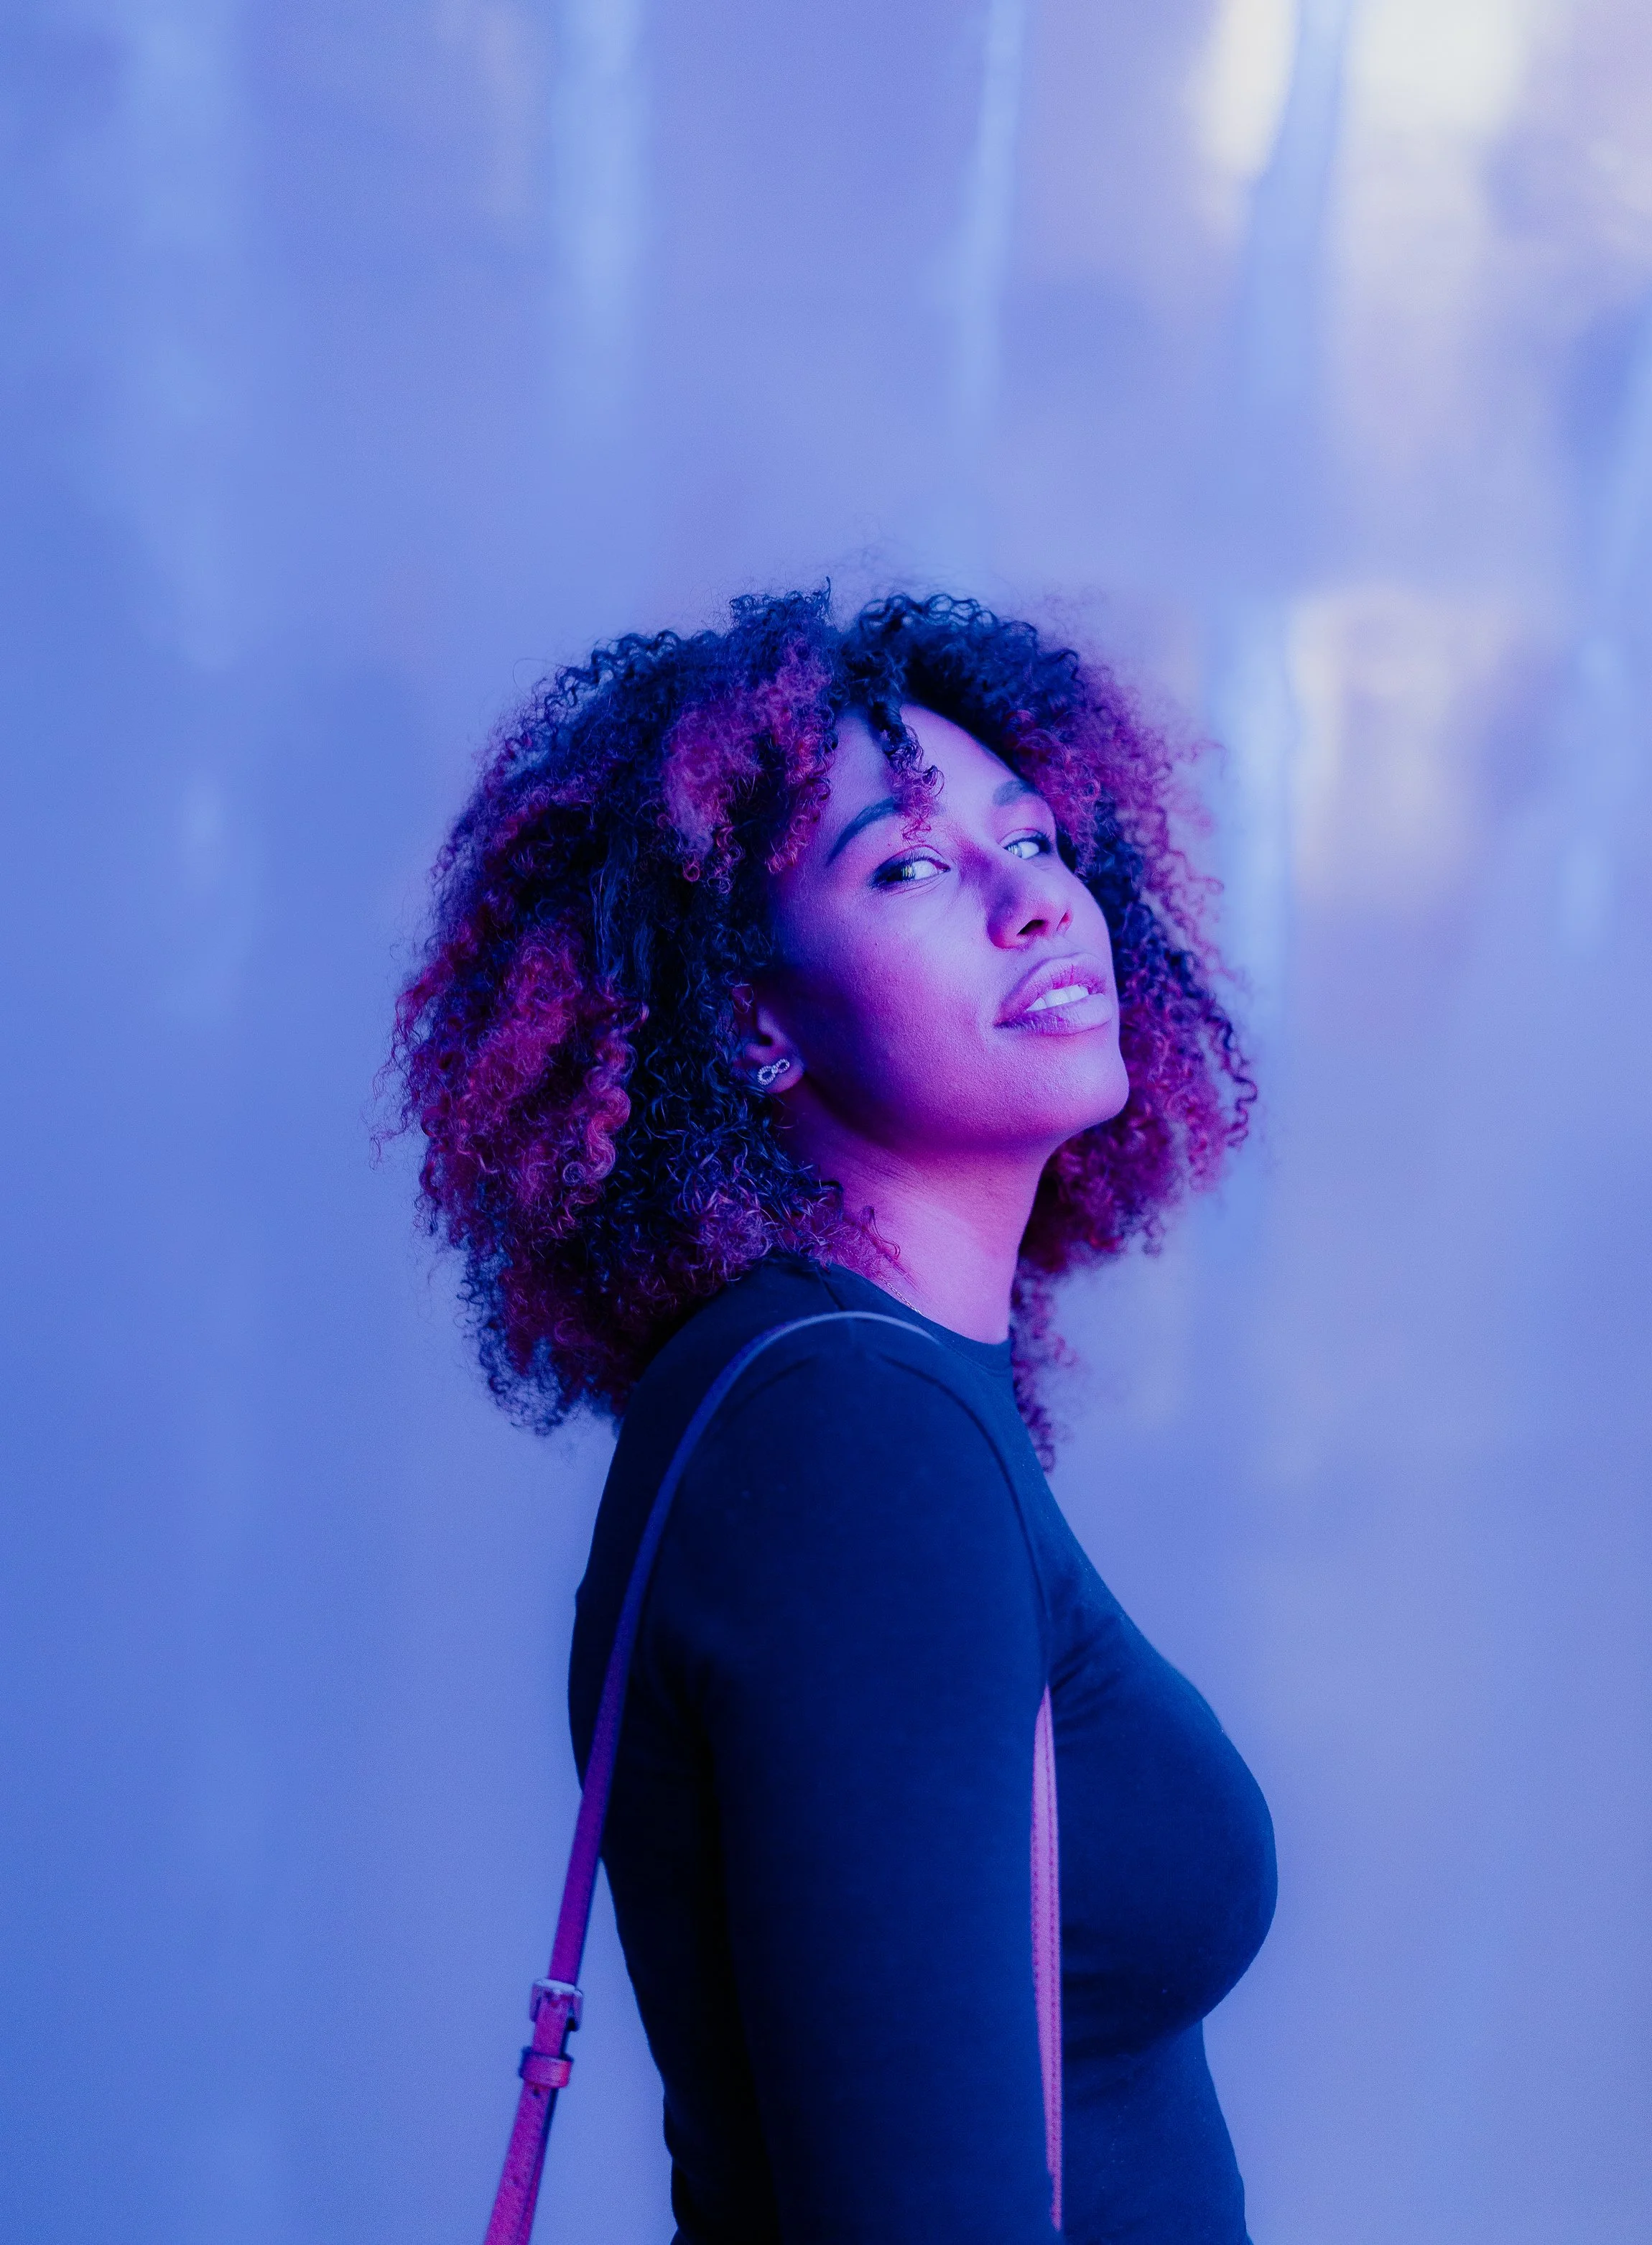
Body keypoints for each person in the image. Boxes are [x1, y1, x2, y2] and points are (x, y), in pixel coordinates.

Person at [394, 589, 1277, 2243]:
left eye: (1033, 837)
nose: (1030, 901)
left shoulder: (860, 1388)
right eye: (911, 868)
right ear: (749, 1015)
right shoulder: (853, 1441)